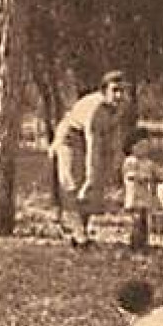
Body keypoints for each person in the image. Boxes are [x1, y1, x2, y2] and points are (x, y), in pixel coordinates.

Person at [50, 71, 130, 247]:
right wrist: (90, 177)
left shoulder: (121, 106)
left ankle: (80, 232)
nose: (119, 95)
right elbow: (92, 144)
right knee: (74, 183)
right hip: (71, 138)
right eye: (115, 90)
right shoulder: (95, 110)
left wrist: (115, 164)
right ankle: (78, 234)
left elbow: (114, 135)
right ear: (104, 91)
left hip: (94, 138)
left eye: (123, 91)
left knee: (93, 191)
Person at [121, 138, 160, 253]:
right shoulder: (130, 161)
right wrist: (140, 177)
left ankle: (144, 243)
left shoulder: (149, 163)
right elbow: (129, 175)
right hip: (134, 195)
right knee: (136, 220)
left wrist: (162, 175)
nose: (144, 150)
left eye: (146, 147)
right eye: (141, 147)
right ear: (133, 148)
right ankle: (135, 243)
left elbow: (158, 173)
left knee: (145, 220)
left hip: (145, 195)